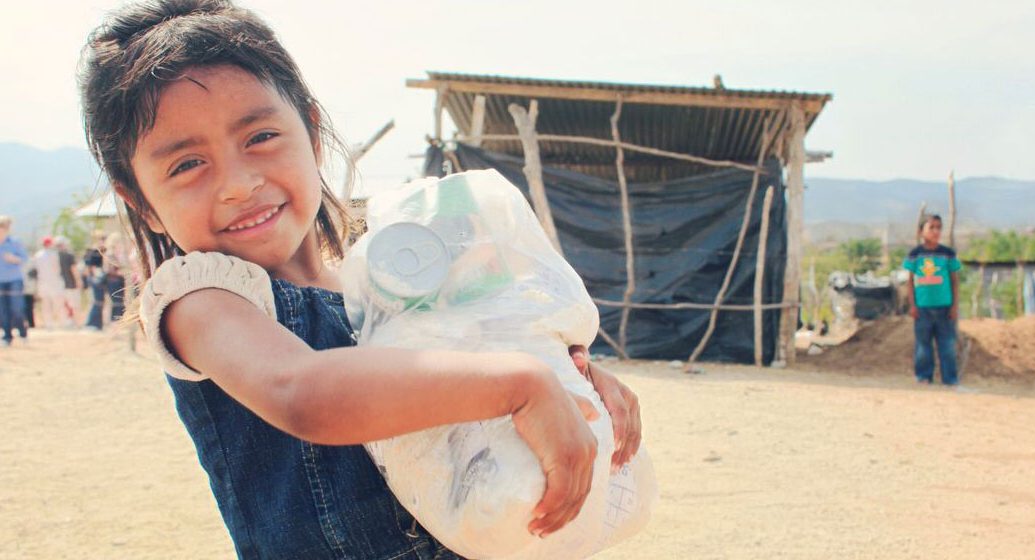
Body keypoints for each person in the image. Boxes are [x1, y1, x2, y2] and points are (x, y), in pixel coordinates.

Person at [78, 1, 641, 558]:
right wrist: (520, 384)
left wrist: (568, 381)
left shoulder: (378, 290)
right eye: (186, 164)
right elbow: (301, 392)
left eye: (259, 137)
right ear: (142, 203)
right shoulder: (200, 300)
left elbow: (479, 367)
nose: (239, 184)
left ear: (312, 134)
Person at [904, 214, 962, 385]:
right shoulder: (915, 254)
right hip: (922, 308)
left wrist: (954, 306)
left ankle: (950, 379)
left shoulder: (947, 254)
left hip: (945, 307)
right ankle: (923, 377)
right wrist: (912, 305)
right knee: (923, 345)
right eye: (931, 227)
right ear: (921, 231)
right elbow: (910, 282)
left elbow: (954, 281)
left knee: (947, 345)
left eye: (938, 228)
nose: (936, 231)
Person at [0, 215, 29, 346]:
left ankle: (22, 332)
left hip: (14, 279)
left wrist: (13, 259)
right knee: (2, 310)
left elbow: (24, 259)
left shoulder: (14, 242)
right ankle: (7, 336)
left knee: (16, 308)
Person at [32, 236, 67, 329]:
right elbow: (57, 268)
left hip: (42, 282)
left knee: (46, 304)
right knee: (58, 303)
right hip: (54, 281)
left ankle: (49, 324)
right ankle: (63, 322)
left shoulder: (38, 255)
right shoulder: (54, 254)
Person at [55, 236, 81, 327]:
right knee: (73, 304)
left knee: (63, 304)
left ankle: (65, 321)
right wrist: (78, 280)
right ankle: (73, 321)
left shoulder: (54, 256)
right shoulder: (69, 255)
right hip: (70, 283)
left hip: (58, 284)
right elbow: (74, 269)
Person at [82, 232, 106, 330]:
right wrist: (92, 279)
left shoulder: (101, 251)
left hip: (98, 277)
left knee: (100, 301)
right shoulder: (93, 252)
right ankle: (91, 323)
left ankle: (98, 324)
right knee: (96, 301)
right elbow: (88, 267)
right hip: (95, 278)